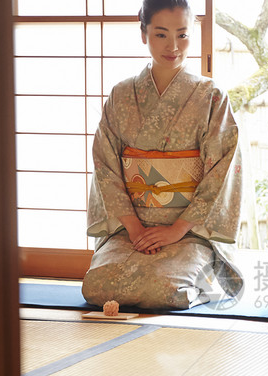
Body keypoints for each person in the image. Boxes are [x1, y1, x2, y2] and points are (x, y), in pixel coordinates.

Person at [83, 0, 243, 309]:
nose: (173, 46)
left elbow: (221, 170)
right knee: (99, 288)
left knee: (165, 291)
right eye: (160, 35)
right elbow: (105, 165)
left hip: (188, 230)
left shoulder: (211, 96)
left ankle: (205, 276)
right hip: (132, 228)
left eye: (182, 35)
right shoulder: (121, 95)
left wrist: (176, 230)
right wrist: (134, 228)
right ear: (143, 33)